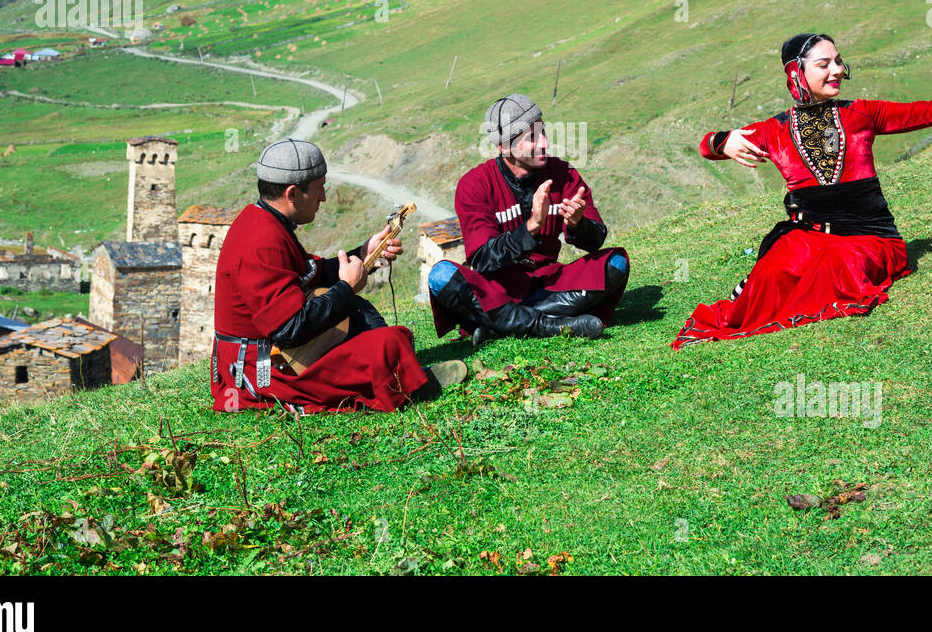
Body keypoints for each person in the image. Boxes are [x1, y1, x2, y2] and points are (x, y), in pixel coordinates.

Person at [672, 33, 932, 348]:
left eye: (839, 62)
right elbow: (704, 147)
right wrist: (724, 140)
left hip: (871, 239)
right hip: (810, 235)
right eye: (824, 64)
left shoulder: (862, 113)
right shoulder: (774, 130)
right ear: (797, 74)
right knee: (774, 271)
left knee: (836, 266)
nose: (837, 71)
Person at [211, 138, 466, 413]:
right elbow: (289, 330)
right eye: (320, 188)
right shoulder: (261, 240)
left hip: (280, 355)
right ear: (292, 193)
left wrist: (365, 252)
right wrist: (347, 287)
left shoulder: (265, 220)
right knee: (388, 344)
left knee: (362, 317)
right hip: (261, 369)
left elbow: (312, 274)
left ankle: (398, 371)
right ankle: (408, 382)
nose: (323, 197)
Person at [428, 94, 630, 345]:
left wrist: (579, 224)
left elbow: (595, 240)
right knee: (440, 276)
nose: (544, 142)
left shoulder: (562, 174)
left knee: (616, 264)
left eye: (543, 132)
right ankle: (549, 326)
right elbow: (482, 260)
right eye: (531, 138)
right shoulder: (474, 185)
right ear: (503, 147)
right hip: (497, 290)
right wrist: (531, 227)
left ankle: (501, 324)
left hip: (548, 284)